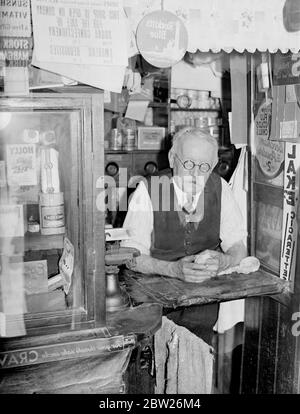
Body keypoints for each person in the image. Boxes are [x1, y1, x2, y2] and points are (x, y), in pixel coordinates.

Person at [121, 127, 247, 345]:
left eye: (204, 166)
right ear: (172, 158)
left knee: (197, 359)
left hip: (203, 300)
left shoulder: (220, 189)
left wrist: (225, 260)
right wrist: (173, 269)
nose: (195, 173)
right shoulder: (152, 190)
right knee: (154, 360)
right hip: (154, 300)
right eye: (188, 164)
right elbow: (130, 257)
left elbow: (237, 245)